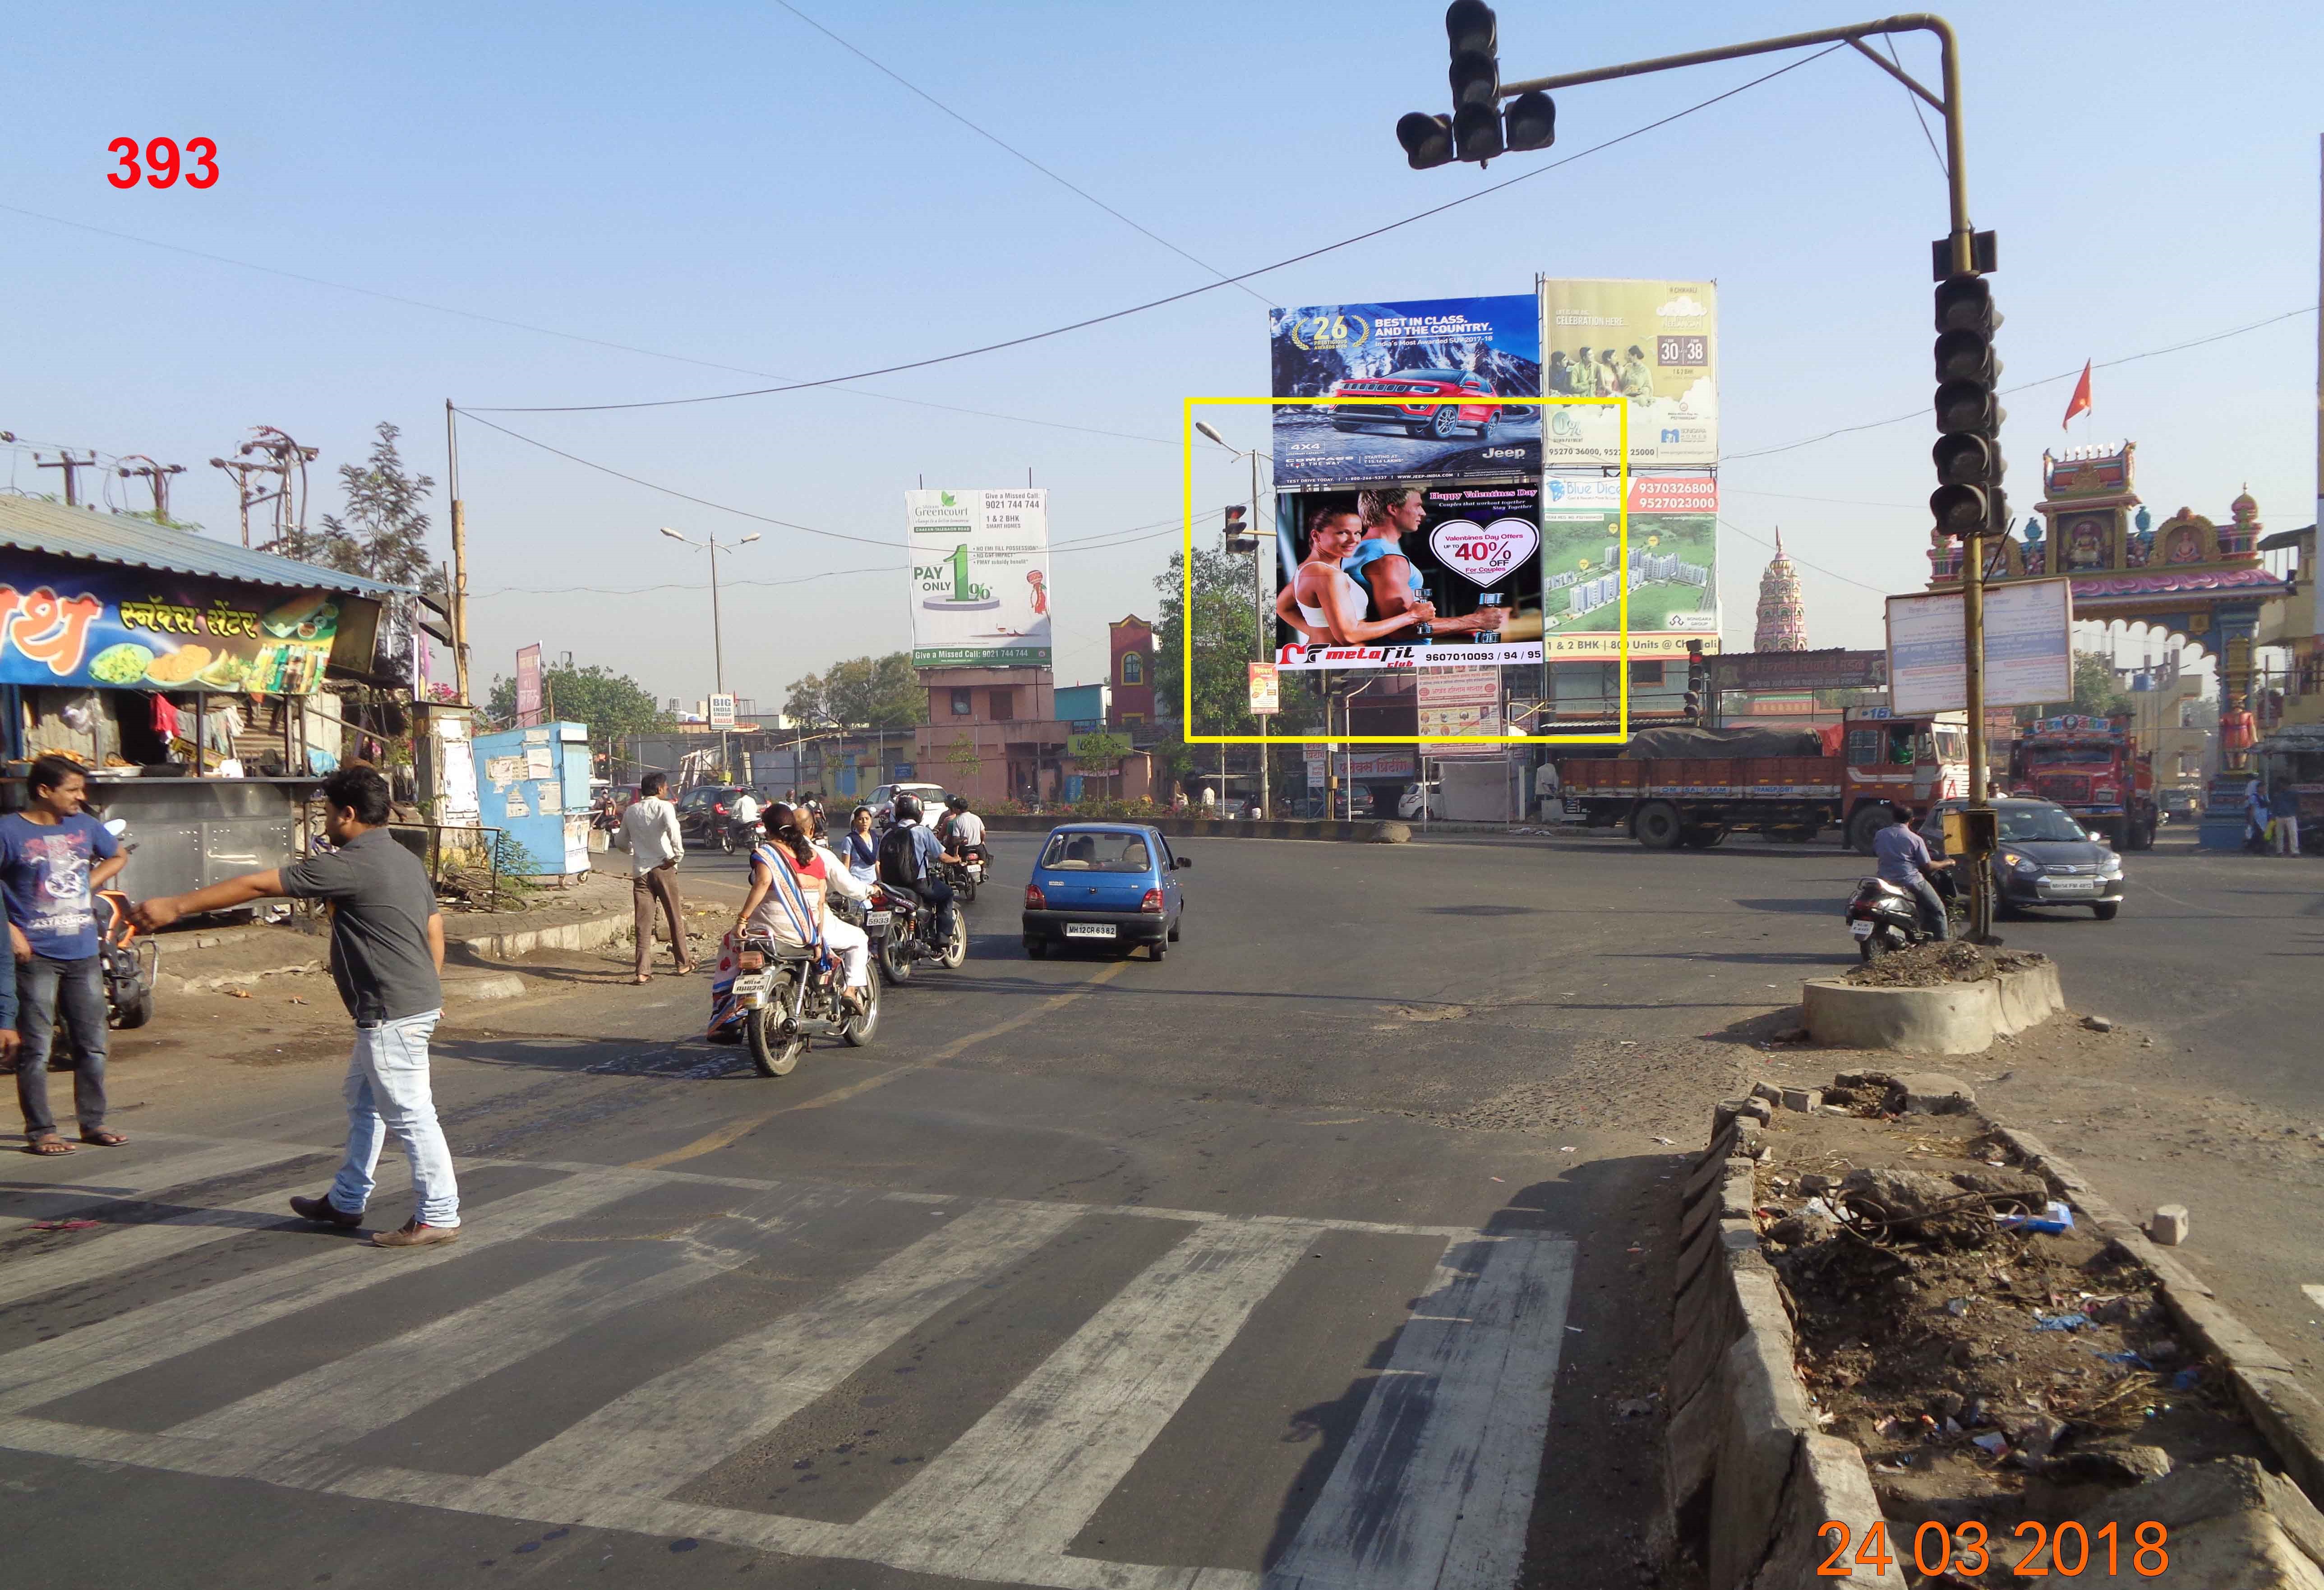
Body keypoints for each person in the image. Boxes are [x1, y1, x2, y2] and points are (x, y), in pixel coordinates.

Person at [133, 766, 459, 1247]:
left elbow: (261, 886)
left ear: (348, 815)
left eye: (327, 812)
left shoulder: (349, 864)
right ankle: (347, 1200)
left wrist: (176, 906)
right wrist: (428, 990)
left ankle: (438, 1214)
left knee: (411, 1115)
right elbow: (433, 926)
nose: (324, 821)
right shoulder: (401, 856)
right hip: (408, 1003)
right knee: (364, 1102)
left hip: (391, 1010)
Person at [2, 756, 128, 1155]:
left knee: (92, 1042)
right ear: (44, 791)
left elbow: (118, 855)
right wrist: (10, 931)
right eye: (73, 789)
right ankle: (42, 1130)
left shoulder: (86, 826)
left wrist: (86, 884)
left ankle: (93, 1122)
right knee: (36, 1047)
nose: (81, 797)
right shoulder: (8, 831)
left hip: (83, 950)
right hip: (36, 954)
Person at [733, 804, 872, 1015]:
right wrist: (817, 940)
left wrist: (742, 920)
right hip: (804, 931)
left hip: (763, 931)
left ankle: (728, 1015)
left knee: (730, 948)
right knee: (859, 938)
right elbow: (826, 900)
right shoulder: (817, 857)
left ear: (768, 830)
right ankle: (850, 991)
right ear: (810, 830)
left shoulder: (768, 855)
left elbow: (758, 883)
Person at [1345, 488, 1496, 643]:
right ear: (1393, 509)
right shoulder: (1389, 559)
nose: (1423, 513)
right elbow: (1402, 631)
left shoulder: (1357, 549)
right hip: (1405, 661)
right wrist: (1476, 620)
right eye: (1417, 506)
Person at [1276, 506, 1437, 645]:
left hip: (1332, 661)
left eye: (1358, 533)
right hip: (1342, 668)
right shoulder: (1327, 575)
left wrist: (1319, 633)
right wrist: (1412, 616)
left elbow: (1283, 607)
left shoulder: (1307, 570)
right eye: (1343, 533)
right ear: (1316, 536)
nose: (1354, 540)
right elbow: (1349, 635)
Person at [620, 770, 691, 984]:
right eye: (666, 787)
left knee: (643, 924)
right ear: (660, 789)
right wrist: (676, 857)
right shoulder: (665, 807)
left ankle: (642, 971)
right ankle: (683, 963)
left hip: (641, 872)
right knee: (674, 917)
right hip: (664, 868)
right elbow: (674, 833)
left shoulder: (631, 811)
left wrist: (635, 852)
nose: (667, 790)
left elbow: (622, 842)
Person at [877, 792, 959, 949]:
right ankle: (943, 936)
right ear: (919, 811)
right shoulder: (922, 831)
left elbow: (879, 859)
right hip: (917, 884)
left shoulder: (888, 832)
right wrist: (956, 859)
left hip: (890, 886)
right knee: (947, 893)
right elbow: (942, 857)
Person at [1872, 802, 1953, 942]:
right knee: (1938, 909)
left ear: (1893, 818)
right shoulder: (1915, 839)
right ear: (1912, 820)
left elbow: (1878, 852)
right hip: (1910, 881)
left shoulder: (1881, 834)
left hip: (1885, 881)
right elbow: (1928, 866)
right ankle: (1943, 945)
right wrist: (1947, 863)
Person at [842, 806, 881, 886]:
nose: (864, 822)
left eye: (867, 819)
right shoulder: (850, 840)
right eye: (861, 819)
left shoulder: (875, 838)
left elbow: (876, 862)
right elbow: (846, 864)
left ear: (871, 820)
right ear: (855, 822)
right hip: (857, 883)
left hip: (873, 884)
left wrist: (881, 880)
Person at [945, 795, 987, 860]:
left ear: (957, 809)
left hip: (964, 850)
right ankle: (983, 869)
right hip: (978, 848)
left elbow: (956, 840)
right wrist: (981, 842)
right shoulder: (977, 818)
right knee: (984, 860)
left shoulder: (957, 821)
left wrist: (956, 855)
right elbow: (983, 833)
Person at [2271, 781, 2302, 857]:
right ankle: (2280, 851)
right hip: (2280, 816)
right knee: (2280, 835)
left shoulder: (2294, 794)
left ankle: (2295, 852)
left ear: (2287, 785)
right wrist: (2274, 815)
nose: (2282, 786)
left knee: (2293, 834)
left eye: (2283, 785)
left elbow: (2298, 805)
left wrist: (2297, 814)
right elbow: (2275, 806)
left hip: (2290, 816)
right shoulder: (2278, 795)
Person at [1534, 758, 1562, 823]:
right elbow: (1548, 783)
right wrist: (1554, 792)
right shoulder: (1550, 770)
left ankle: (1543, 821)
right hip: (1546, 793)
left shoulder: (1542, 769)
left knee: (1541, 807)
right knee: (1547, 807)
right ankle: (1547, 820)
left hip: (1542, 792)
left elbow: (1547, 783)